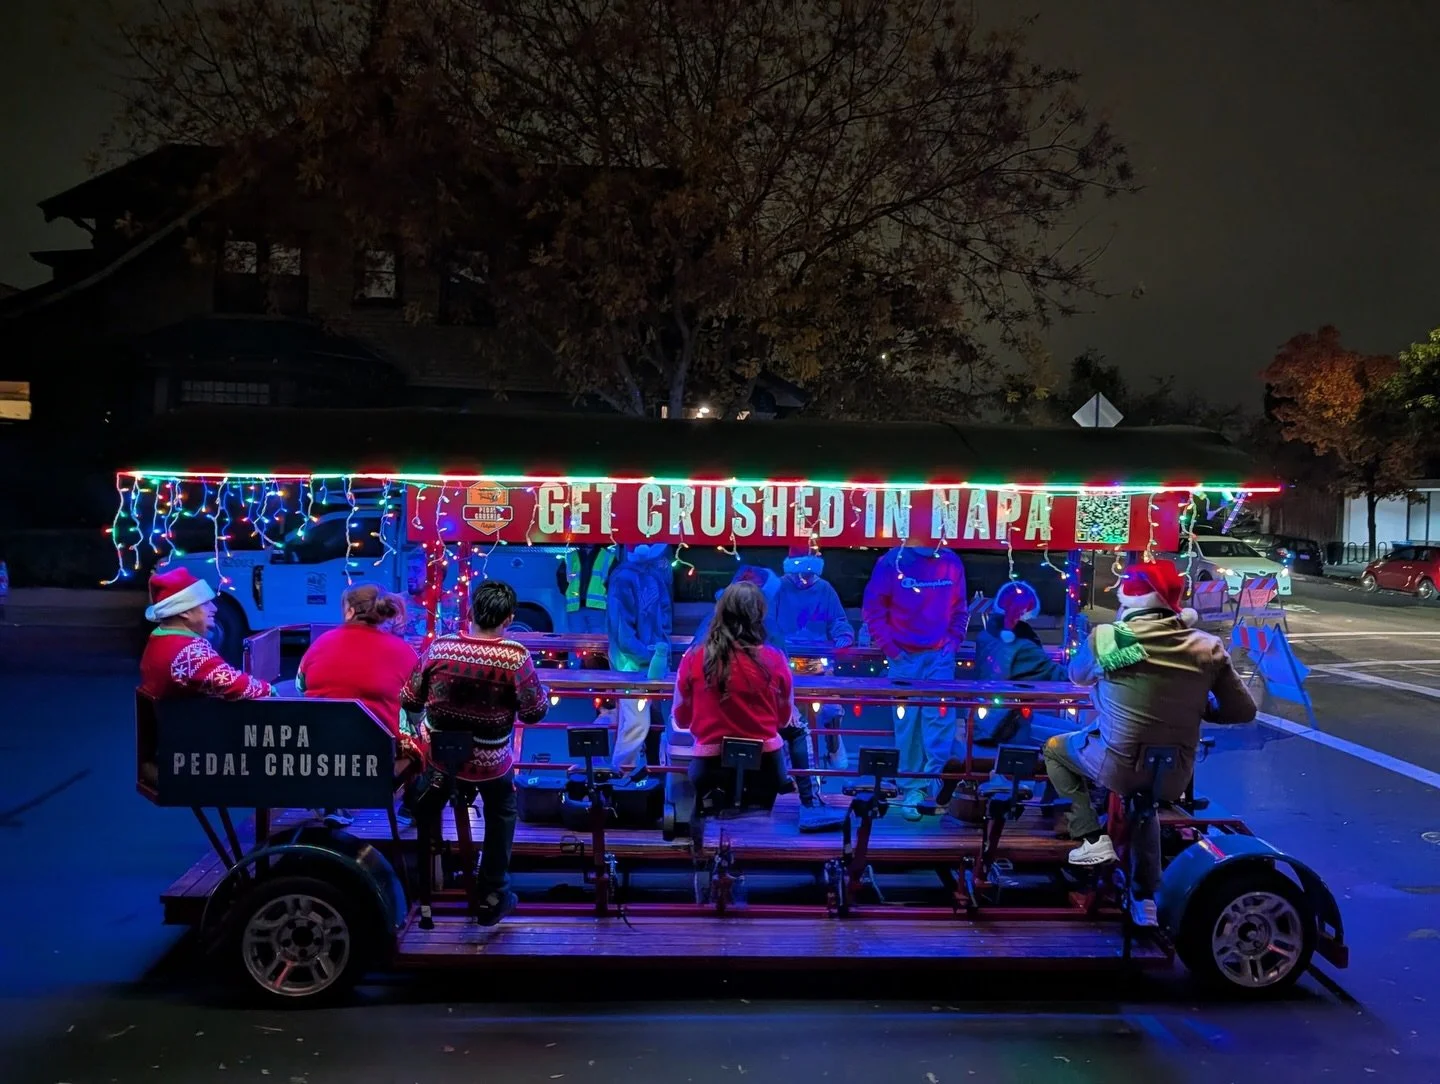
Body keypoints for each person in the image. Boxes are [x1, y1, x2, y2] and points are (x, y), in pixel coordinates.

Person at [1043, 558, 1256, 928]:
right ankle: (1144, 898)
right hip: (1175, 773)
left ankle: (1090, 836)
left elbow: (1077, 677)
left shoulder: (1110, 637)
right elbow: (1242, 710)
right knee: (1144, 806)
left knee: (1055, 749)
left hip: (1118, 765)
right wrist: (1199, 707)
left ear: (1130, 600)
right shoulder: (1206, 646)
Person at [400, 580, 550, 926]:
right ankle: (493, 890)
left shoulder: (440, 647)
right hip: (490, 761)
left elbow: (409, 698)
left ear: (470, 612)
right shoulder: (515, 657)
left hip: (441, 759)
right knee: (502, 809)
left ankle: (432, 875)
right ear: (509, 619)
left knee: (429, 797)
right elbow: (533, 713)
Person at [690, 565, 844, 829]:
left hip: (710, 728)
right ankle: (809, 803)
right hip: (759, 726)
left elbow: (687, 693)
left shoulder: (704, 633)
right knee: (796, 729)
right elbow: (784, 701)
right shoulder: (771, 640)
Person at [860, 535, 969, 820]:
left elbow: (960, 608)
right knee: (908, 726)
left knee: (940, 724)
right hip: (903, 658)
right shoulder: (891, 562)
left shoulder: (951, 561)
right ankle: (912, 788)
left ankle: (936, 790)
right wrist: (892, 651)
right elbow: (873, 610)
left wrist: (952, 644)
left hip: (940, 658)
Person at [297, 583, 422, 828]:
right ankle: (412, 804)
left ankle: (335, 801)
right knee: (423, 730)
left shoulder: (319, 644)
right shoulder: (404, 651)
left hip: (320, 754)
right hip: (377, 761)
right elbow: (417, 700)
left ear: (350, 612)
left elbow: (302, 686)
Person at [672, 581, 794, 815]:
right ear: (760, 614)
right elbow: (785, 719)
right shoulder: (777, 659)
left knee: (709, 822)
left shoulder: (693, 657)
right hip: (767, 766)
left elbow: (681, 719)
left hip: (708, 766)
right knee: (758, 828)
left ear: (720, 610)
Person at [771, 544, 854, 772]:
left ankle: (833, 745)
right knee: (787, 714)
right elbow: (767, 623)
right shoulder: (778, 588)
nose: (804, 579)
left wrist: (843, 635)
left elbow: (838, 619)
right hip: (785, 663)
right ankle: (788, 762)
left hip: (818, 661)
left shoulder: (825, 589)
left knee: (832, 708)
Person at [139, 568, 272, 701]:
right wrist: (270, 690)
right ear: (184, 612)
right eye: (205, 604)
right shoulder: (187, 651)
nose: (214, 609)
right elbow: (237, 685)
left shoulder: (160, 637)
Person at [972, 580, 1069, 748]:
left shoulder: (985, 636)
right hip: (1006, 726)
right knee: (1079, 735)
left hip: (984, 721)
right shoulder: (1023, 647)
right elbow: (1060, 676)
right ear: (1024, 611)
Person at [606, 543, 674, 774]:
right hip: (632, 664)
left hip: (644, 659)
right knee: (637, 723)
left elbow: (662, 618)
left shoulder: (651, 577)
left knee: (639, 722)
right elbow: (622, 631)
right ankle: (620, 774)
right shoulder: (626, 579)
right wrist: (651, 654)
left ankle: (625, 775)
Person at [561, 544, 617, 635]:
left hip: (596, 607)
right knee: (577, 643)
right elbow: (561, 577)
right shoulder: (571, 556)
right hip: (577, 607)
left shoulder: (607, 556)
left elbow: (615, 581)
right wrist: (567, 592)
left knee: (596, 643)